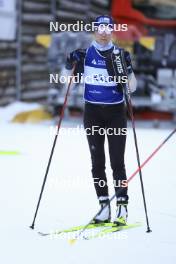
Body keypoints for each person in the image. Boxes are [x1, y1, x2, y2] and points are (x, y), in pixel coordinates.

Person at [66, 15, 137, 225]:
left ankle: (122, 207)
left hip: (115, 114)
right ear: (95, 31)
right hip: (92, 113)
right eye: (100, 28)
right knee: (97, 163)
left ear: (112, 31)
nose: (104, 32)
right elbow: (66, 81)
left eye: (108, 28)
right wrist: (69, 61)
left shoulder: (120, 55)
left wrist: (128, 70)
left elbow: (132, 88)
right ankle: (104, 207)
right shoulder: (86, 54)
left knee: (117, 162)